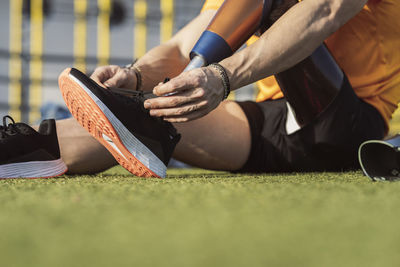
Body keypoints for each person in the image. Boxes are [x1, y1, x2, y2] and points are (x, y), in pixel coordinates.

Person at [55, 0, 400, 175]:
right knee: (134, 117)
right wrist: (135, 76)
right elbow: (181, 48)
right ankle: (21, 148)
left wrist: (222, 77)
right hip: (280, 123)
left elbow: (325, 9)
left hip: (349, 127)